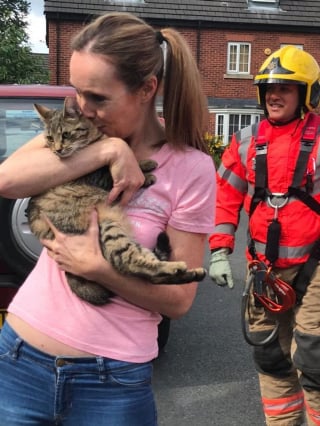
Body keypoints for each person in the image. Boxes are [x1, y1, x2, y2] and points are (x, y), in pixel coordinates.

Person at [0, 12, 215, 426]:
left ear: (146, 89)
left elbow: (181, 298)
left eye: (98, 97)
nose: (84, 108)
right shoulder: (76, 132)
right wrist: (108, 152)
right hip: (18, 360)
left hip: (111, 383)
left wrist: (99, 269)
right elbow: (6, 179)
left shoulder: (190, 168)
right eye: (78, 93)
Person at [209, 45, 320, 426]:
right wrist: (220, 250)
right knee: (271, 357)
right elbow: (225, 198)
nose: (274, 94)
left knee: (314, 353)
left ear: (307, 94)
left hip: (316, 266)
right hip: (265, 270)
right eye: (268, 87)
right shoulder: (244, 141)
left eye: (285, 88)